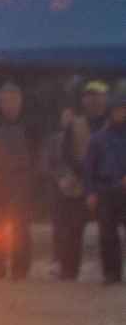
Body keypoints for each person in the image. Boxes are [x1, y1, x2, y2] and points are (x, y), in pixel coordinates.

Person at [53, 81, 110, 279]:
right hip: (79, 185)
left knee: (108, 232)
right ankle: (69, 272)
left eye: (99, 96)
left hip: (106, 185)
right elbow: (66, 154)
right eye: (90, 96)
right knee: (72, 231)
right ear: (84, 100)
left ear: (106, 99)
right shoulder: (75, 124)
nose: (95, 101)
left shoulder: (114, 125)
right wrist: (82, 173)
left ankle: (111, 274)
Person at [0, 81, 38, 280]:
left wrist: (32, 178)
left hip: (21, 180)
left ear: (20, 101)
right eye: (4, 100)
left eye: (13, 99)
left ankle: (20, 269)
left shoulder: (31, 125)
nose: (9, 104)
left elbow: (37, 153)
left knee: (21, 226)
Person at [84, 90, 126, 285]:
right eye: (118, 110)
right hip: (104, 190)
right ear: (111, 112)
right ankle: (111, 273)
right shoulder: (97, 139)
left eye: (124, 110)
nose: (121, 114)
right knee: (107, 234)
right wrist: (90, 193)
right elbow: (89, 168)